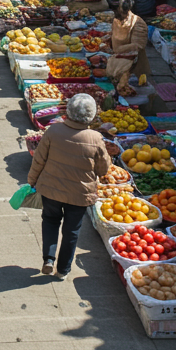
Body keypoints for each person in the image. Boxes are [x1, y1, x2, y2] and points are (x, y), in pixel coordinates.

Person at [26, 93, 112, 279]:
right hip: (79, 195)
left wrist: (32, 181)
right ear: (91, 115)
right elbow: (103, 168)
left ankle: (49, 259)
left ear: (69, 111)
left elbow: (38, 160)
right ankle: (63, 270)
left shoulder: (53, 131)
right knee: (71, 230)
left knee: (50, 220)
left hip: (50, 189)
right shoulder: (95, 138)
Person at [109, 0, 150, 84]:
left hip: (133, 66)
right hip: (118, 61)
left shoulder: (138, 23)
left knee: (127, 88)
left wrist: (118, 49)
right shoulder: (118, 19)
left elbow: (138, 45)